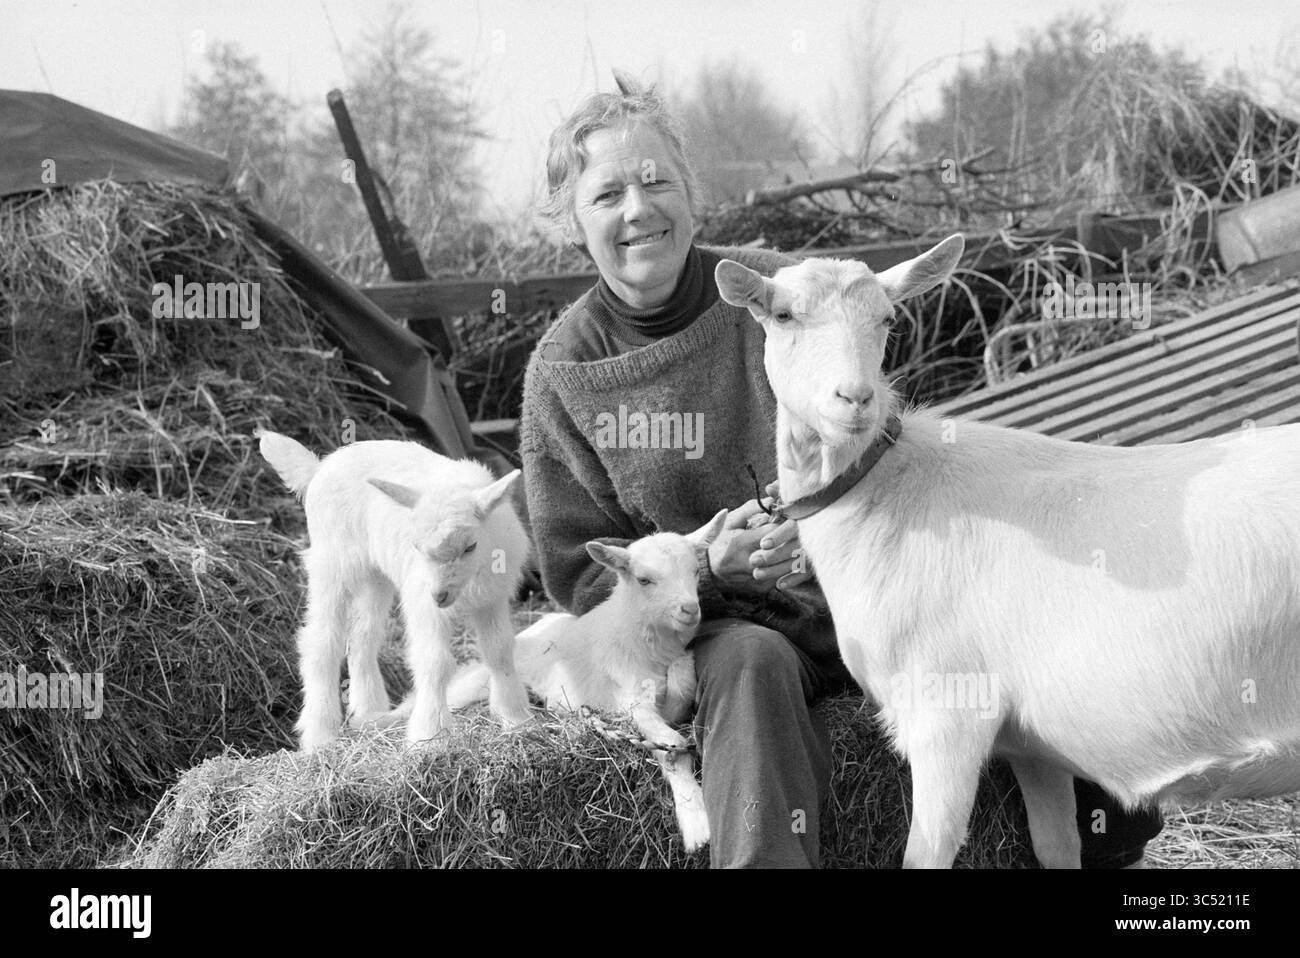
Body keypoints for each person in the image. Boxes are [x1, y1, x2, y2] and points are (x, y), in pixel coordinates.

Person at [519, 71, 1163, 868]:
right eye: (607, 195)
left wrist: (822, 521)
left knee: (999, 607)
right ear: (572, 221)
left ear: (689, 191)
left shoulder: (786, 289)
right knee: (750, 664)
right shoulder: (564, 372)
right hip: (717, 625)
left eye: (656, 182)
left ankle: (1110, 844)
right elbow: (578, 578)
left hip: (864, 582)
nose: (637, 209)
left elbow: (870, 417)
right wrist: (702, 568)